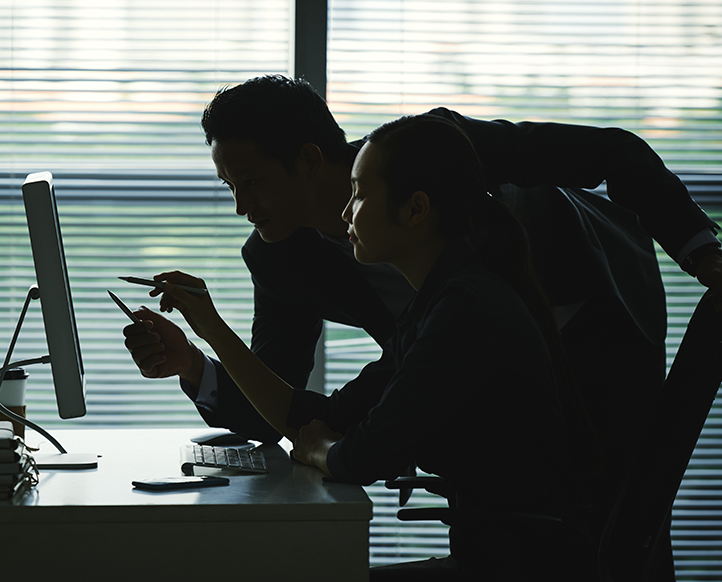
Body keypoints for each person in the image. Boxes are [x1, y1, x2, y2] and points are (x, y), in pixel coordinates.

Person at [122, 75, 721, 578]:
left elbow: (613, 152)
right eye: (228, 186)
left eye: (250, 181)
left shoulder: (426, 160)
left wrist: (706, 260)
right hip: (469, 396)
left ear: (308, 160)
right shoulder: (296, 262)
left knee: (627, 537)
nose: (239, 206)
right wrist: (195, 363)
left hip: (600, 331)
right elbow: (290, 408)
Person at [150, 114, 595, 580]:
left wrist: (321, 447)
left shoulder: (464, 310)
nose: (345, 213)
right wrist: (210, 328)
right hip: (491, 555)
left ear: (415, 210)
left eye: (360, 194)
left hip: (519, 564)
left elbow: (360, 455)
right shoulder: (433, 307)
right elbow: (315, 416)